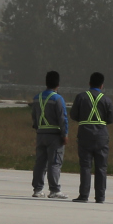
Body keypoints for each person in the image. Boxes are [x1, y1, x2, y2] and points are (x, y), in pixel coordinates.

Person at [70, 71, 113, 203]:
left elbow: (73, 115)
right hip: (101, 135)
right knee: (101, 167)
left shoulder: (81, 97)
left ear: (89, 84)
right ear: (102, 85)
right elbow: (111, 118)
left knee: (85, 166)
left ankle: (84, 195)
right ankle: (100, 197)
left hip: (85, 133)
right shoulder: (106, 99)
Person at [29, 70, 68, 198]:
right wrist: (64, 134)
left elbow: (34, 116)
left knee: (40, 162)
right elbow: (63, 118)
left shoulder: (37, 98)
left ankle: (37, 189)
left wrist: (38, 128)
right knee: (54, 162)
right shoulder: (58, 99)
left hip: (41, 134)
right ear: (58, 84)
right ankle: (55, 190)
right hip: (54, 135)